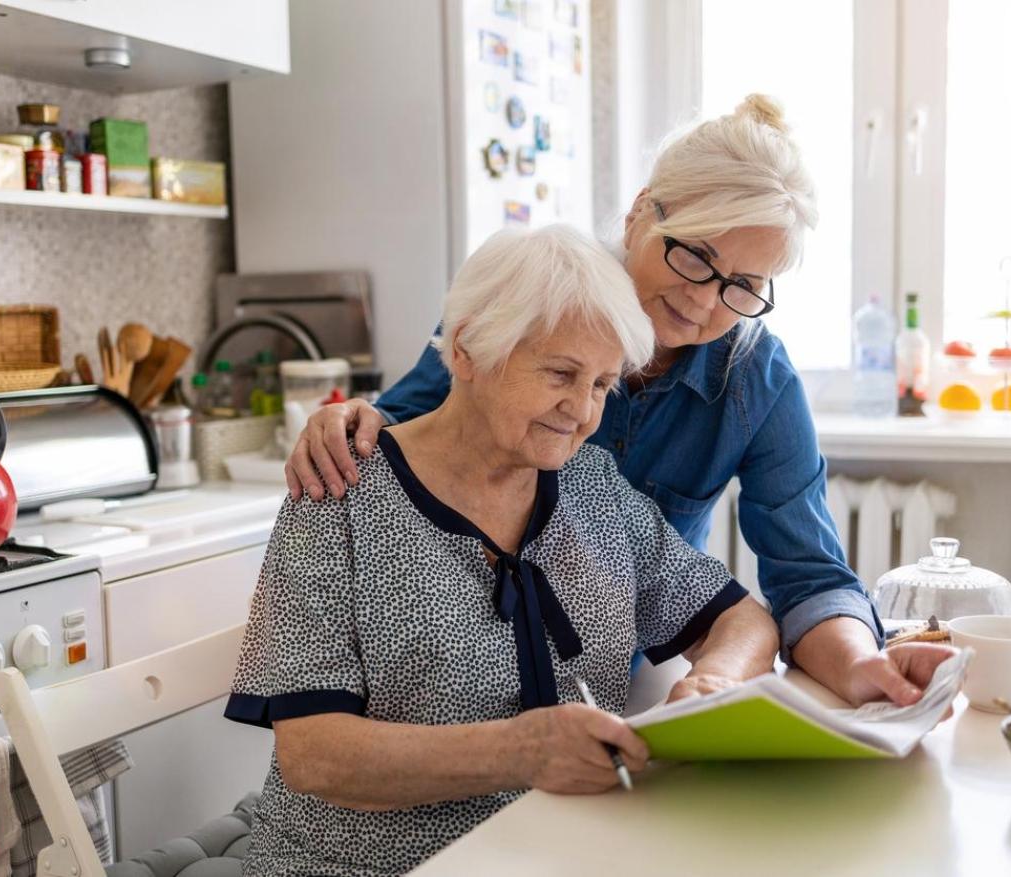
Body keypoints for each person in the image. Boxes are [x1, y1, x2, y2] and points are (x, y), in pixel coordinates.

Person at [284, 94, 956, 709]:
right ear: (641, 213)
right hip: (453, 685)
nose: (701, 299)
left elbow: (808, 575)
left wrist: (863, 663)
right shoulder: (530, 298)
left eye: (742, 284)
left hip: (615, 682)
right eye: (695, 255)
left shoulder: (757, 378)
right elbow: (402, 433)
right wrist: (347, 421)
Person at [227, 225, 779, 876]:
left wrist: (711, 682)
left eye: (603, 384)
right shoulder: (341, 491)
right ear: (466, 350)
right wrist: (520, 750)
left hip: (555, 853)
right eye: (561, 373)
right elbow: (314, 754)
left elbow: (742, 619)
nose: (581, 411)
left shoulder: (592, 488)